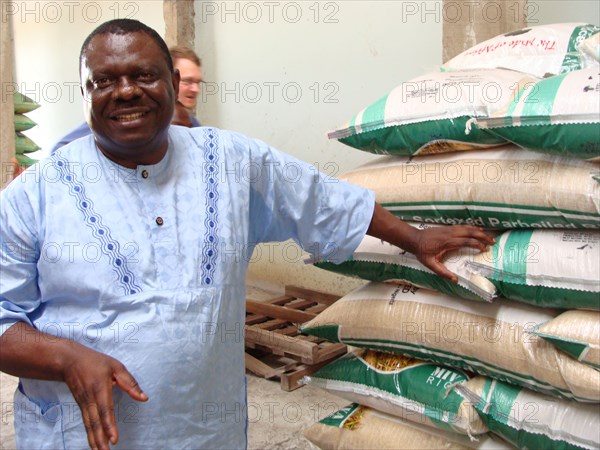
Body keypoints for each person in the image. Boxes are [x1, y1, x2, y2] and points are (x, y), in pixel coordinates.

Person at [0, 19, 494, 450]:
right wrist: (65, 357)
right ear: (85, 93)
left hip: (203, 430)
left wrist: (416, 239)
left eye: (143, 75)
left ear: (173, 83)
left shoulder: (232, 161)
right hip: (82, 435)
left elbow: (323, 199)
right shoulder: (35, 195)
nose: (125, 91)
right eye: (104, 80)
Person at [48, 44, 202, 154]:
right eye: (187, 82)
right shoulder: (114, 122)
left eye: (197, 82)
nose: (194, 89)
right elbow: (61, 150)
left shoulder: (192, 125)